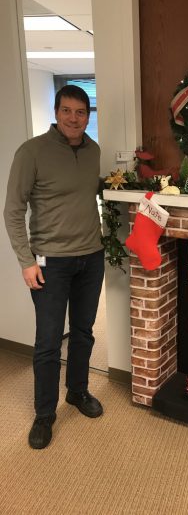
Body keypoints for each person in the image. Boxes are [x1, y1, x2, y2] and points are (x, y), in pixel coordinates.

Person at [4, 85, 105, 449]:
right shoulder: (32, 151)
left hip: (91, 257)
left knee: (83, 332)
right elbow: (13, 210)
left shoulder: (94, 151)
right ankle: (44, 414)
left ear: (88, 116)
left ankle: (77, 391)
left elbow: (86, 191)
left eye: (81, 112)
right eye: (67, 110)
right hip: (50, 262)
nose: (73, 118)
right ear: (56, 111)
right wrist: (26, 261)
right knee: (48, 342)